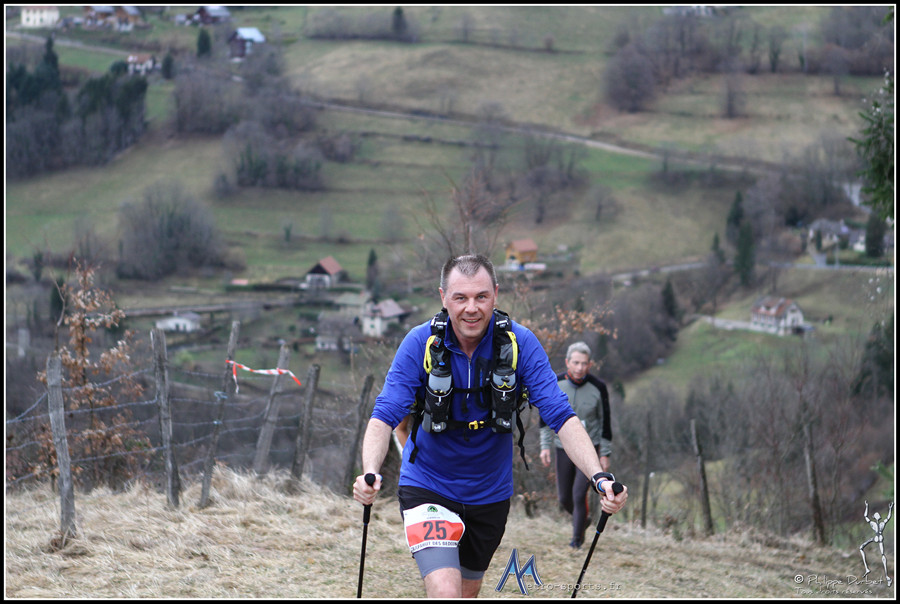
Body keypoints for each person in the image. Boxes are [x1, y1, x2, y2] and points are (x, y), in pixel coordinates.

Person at [353, 254, 627, 598]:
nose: (472, 308)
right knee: (446, 592)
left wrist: (598, 477)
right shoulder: (419, 343)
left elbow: (561, 416)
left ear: (495, 294)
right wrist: (369, 471)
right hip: (428, 485)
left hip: (490, 495)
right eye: (460, 297)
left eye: (481, 296)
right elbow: (384, 415)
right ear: (443, 297)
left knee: (468, 592)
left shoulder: (520, 343)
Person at [539, 341, 612, 549]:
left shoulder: (598, 387)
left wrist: (605, 453)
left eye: (584, 363)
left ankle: (576, 541)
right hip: (562, 447)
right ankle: (583, 520)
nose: (580, 367)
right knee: (564, 498)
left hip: (590, 448)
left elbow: (605, 422)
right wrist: (545, 446)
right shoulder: (555, 382)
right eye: (576, 362)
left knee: (579, 494)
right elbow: (544, 417)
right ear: (567, 362)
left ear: (590, 365)